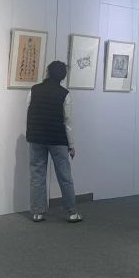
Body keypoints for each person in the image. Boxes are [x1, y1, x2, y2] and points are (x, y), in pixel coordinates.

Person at [26, 60, 82, 223]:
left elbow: (29, 112)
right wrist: (71, 145)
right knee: (65, 176)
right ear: (63, 76)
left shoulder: (34, 90)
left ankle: (37, 212)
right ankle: (71, 213)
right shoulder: (65, 94)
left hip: (36, 138)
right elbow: (67, 122)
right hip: (58, 139)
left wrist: (30, 134)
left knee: (37, 175)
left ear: (47, 72)